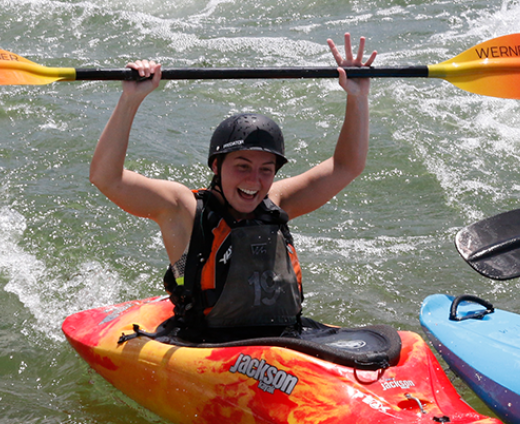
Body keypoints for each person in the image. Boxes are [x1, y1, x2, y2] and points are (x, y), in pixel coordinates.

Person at [89, 34, 376, 343]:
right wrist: (130, 99)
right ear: (216, 166)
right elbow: (107, 178)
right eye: (242, 166)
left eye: (266, 170)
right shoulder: (183, 210)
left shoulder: (277, 204)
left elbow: (347, 166)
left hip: (283, 340)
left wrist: (357, 97)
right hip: (208, 345)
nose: (254, 181)